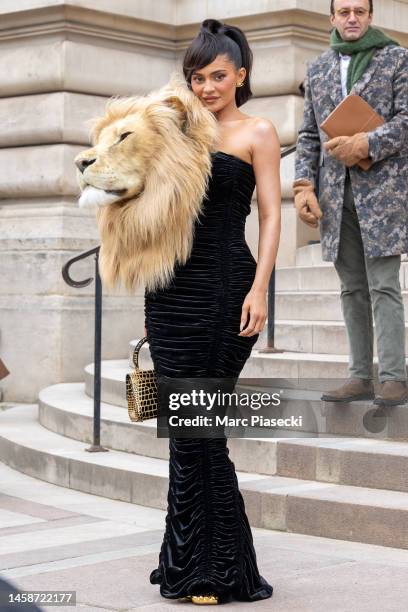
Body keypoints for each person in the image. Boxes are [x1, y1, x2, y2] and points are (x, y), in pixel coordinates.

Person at [145, 18, 280, 605]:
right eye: (196, 77)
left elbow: (272, 217)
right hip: (169, 291)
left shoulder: (258, 131)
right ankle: (182, 561)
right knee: (184, 432)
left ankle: (224, 569)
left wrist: (261, 289)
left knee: (204, 429)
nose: (205, 88)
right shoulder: (176, 133)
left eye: (217, 76)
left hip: (227, 287)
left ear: (240, 75)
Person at [293, 0, 408, 406]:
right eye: (344, 12)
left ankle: (394, 376)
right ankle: (359, 375)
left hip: (383, 196)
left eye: (359, 10)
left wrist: (366, 142)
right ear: (333, 19)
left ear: (371, 16)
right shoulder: (319, 67)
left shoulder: (397, 59)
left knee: (384, 285)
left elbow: (407, 121)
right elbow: (308, 134)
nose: (352, 18)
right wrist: (303, 185)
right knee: (351, 287)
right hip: (334, 195)